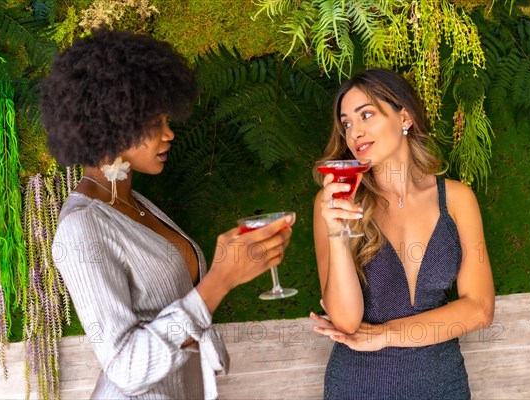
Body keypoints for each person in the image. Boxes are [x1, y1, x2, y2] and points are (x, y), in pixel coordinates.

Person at [41, 29, 294, 399]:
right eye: (155, 123)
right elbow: (125, 367)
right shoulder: (83, 227)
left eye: (167, 120)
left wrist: (235, 259)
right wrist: (220, 280)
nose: (169, 134)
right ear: (112, 123)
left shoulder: (135, 203)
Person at [310, 68, 494, 399]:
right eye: (347, 123)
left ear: (404, 117)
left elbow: (479, 309)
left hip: (442, 385)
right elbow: (346, 320)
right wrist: (338, 234)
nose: (355, 132)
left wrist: (385, 335)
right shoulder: (335, 202)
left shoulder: (456, 199)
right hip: (358, 386)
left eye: (366, 114)